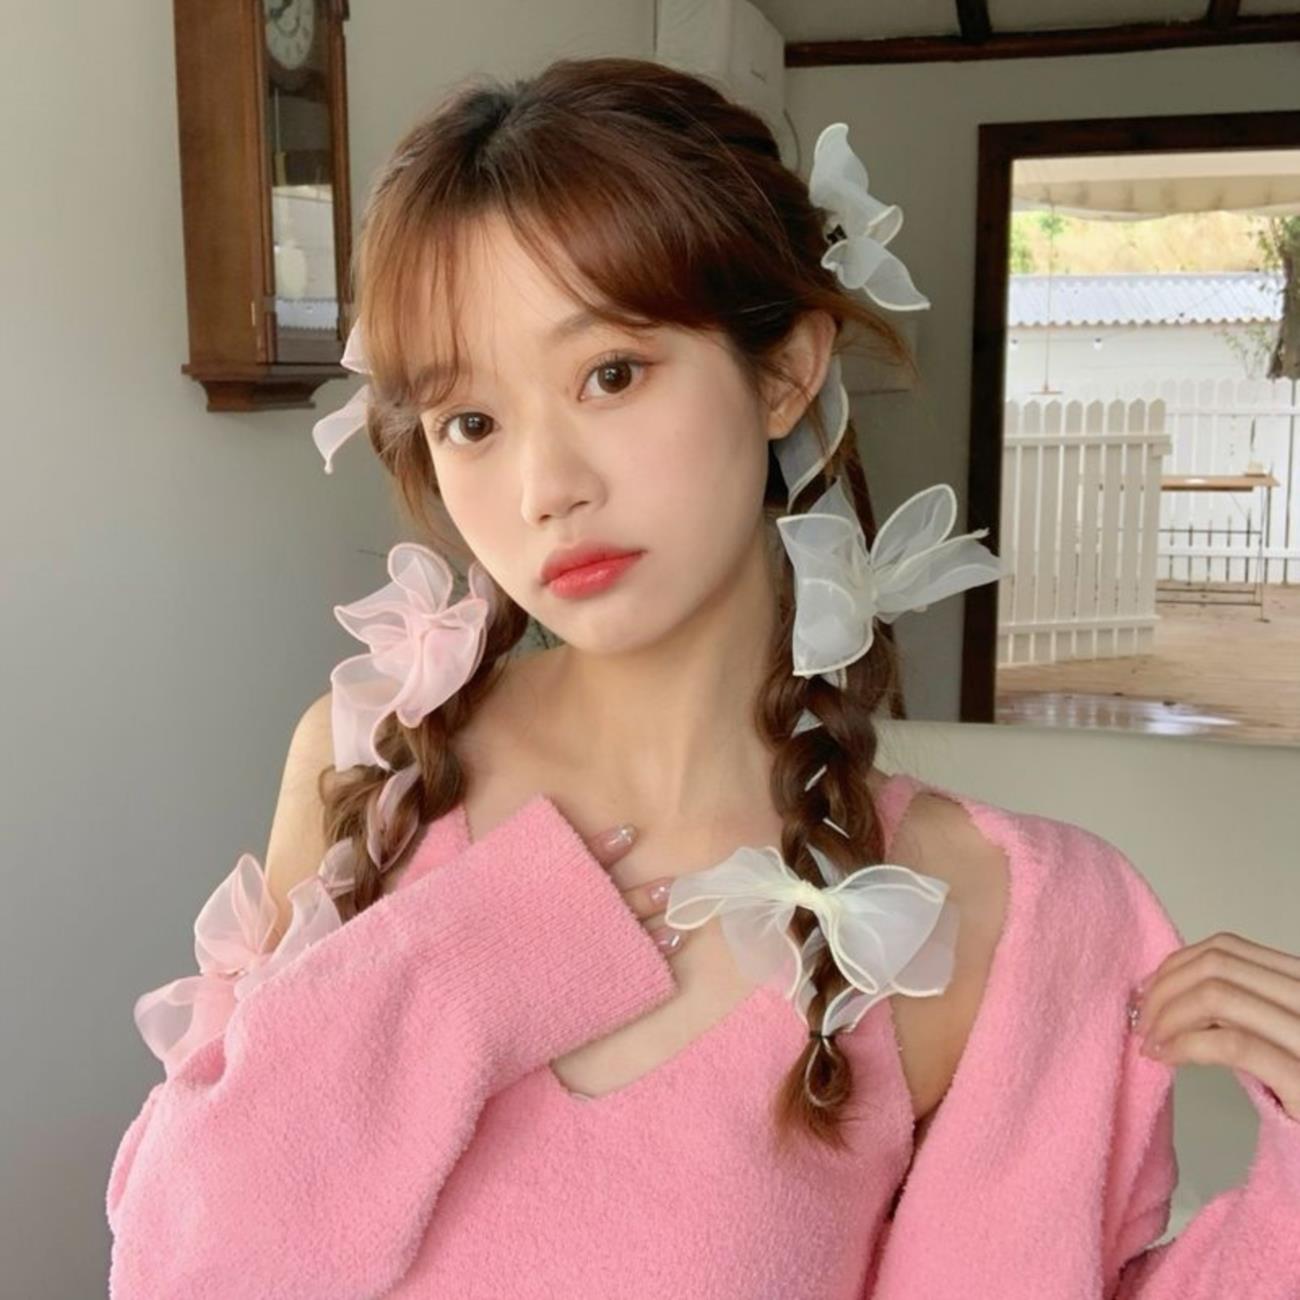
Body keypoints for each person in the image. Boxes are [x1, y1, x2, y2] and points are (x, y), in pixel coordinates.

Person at [105, 55, 1299, 1299]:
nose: (545, 488)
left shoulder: (981, 910)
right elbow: (189, 1267)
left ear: (783, 371)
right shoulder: (369, 770)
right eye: (472, 421)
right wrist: (470, 963)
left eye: (611, 374)